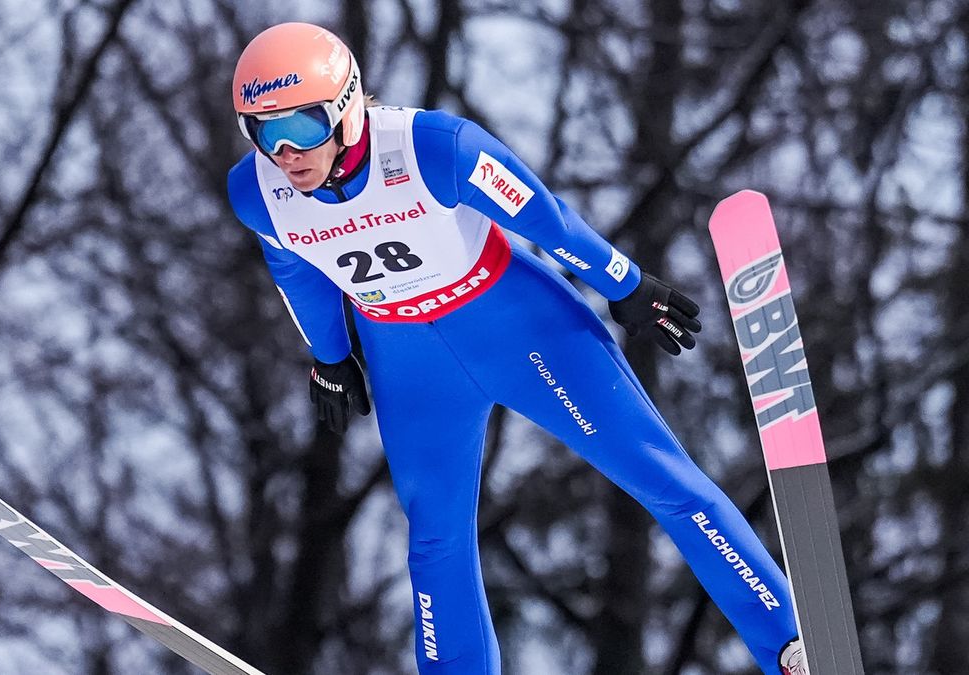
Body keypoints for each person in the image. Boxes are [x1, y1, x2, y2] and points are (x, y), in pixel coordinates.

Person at [226, 22, 805, 675]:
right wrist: (330, 356)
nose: (284, 152)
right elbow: (298, 275)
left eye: (300, 127)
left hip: (517, 325)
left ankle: (788, 643)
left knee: (658, 475)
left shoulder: (434, 148)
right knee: (436, 538)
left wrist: (626, 284)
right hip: (409, 361)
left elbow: (543, 216)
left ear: (346, 108)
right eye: (261, 132)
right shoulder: (258, 193)